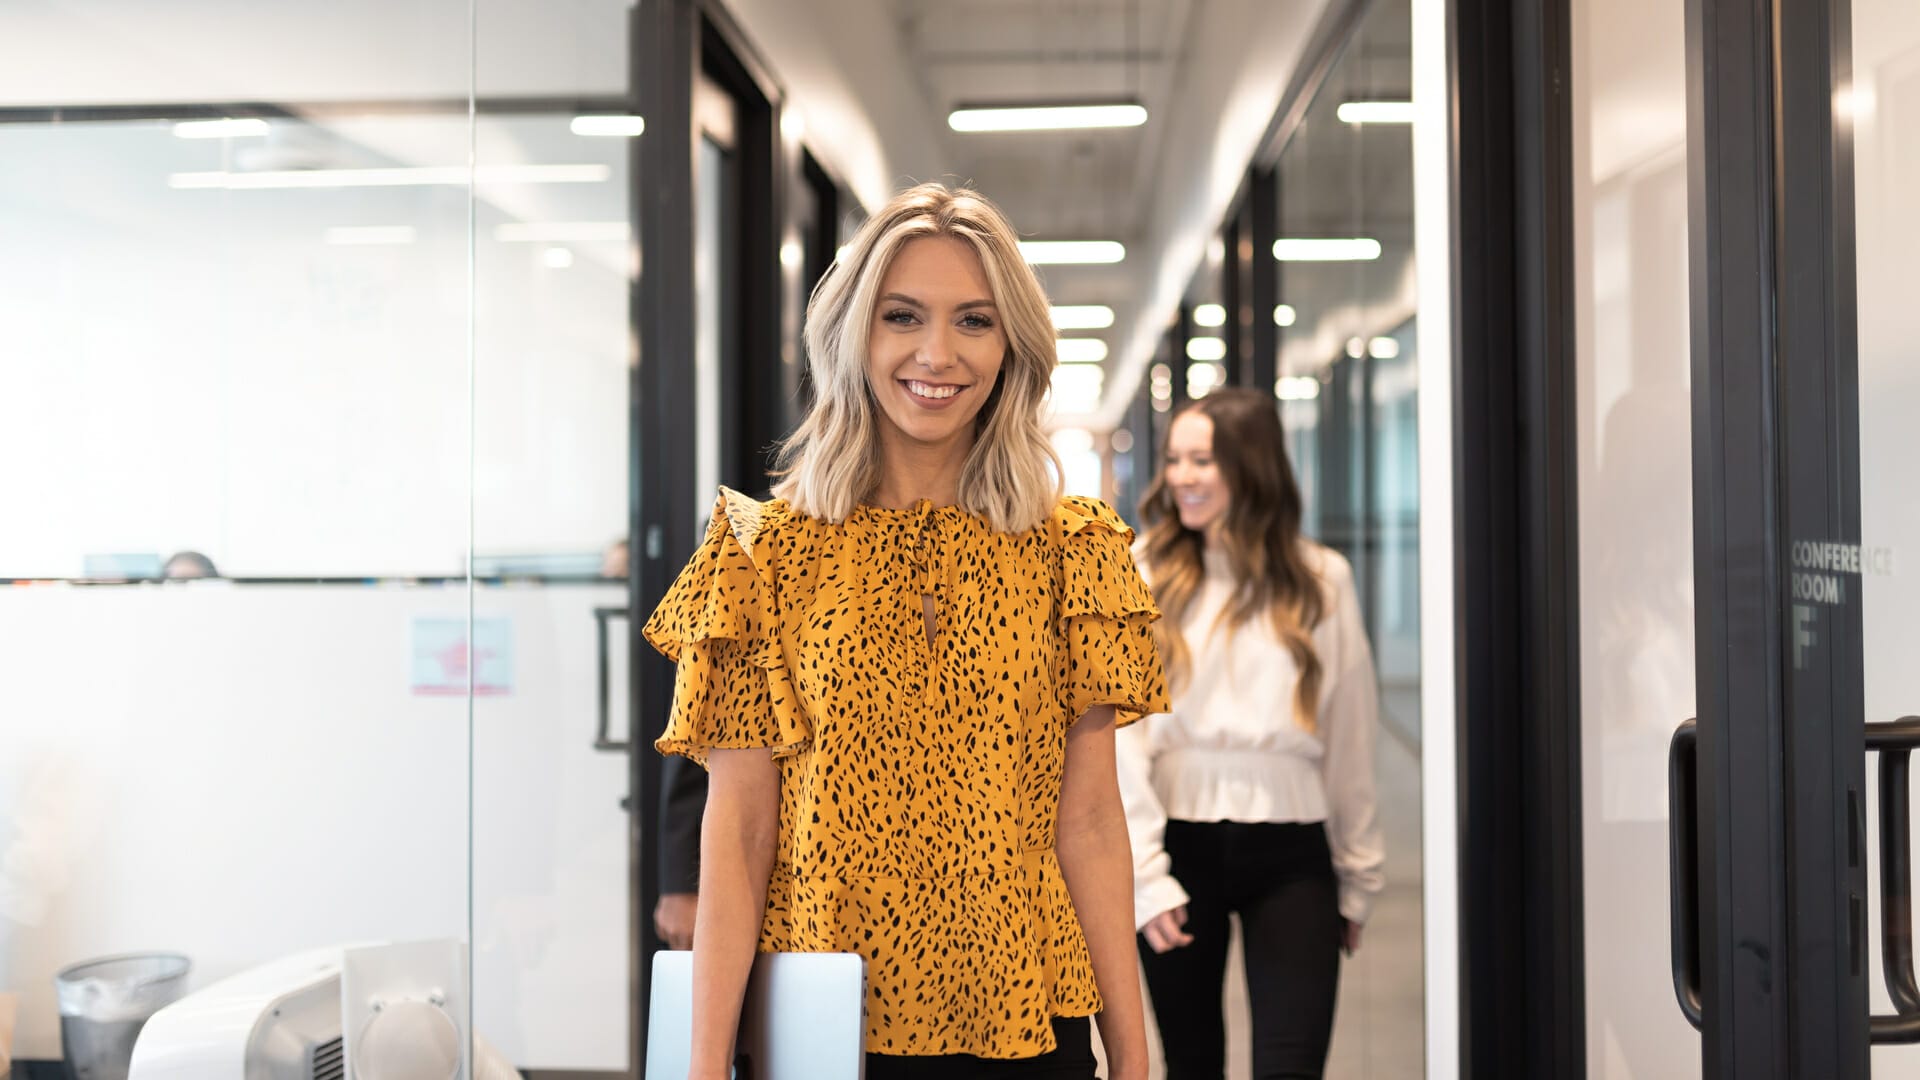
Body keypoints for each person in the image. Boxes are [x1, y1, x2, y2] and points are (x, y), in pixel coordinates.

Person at [643, 182, 1168, 1079]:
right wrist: (701, 1066)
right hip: (824, 1020)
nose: (938, 353)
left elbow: (1087, 821)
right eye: (902, 316)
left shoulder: (1069, 550)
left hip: (1026, 1020)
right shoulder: (762, 554)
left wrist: (1132, 1051)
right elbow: (738, 833)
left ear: (1011, 346)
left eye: (974, 320)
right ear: (855, 334)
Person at [1118, 388, 1384, 1080]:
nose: (1180, 476)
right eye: (1174, 459)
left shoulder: (1321, 580)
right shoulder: (1143, 572)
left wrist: (1358, 876)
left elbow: (1351, 734)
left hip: (1293, 854)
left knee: (1292, 1066)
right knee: (1193, 1064)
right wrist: (1146, 879)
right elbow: (1122, 743)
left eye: (1202, 460)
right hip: (1177, 848)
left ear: (1251, 467)